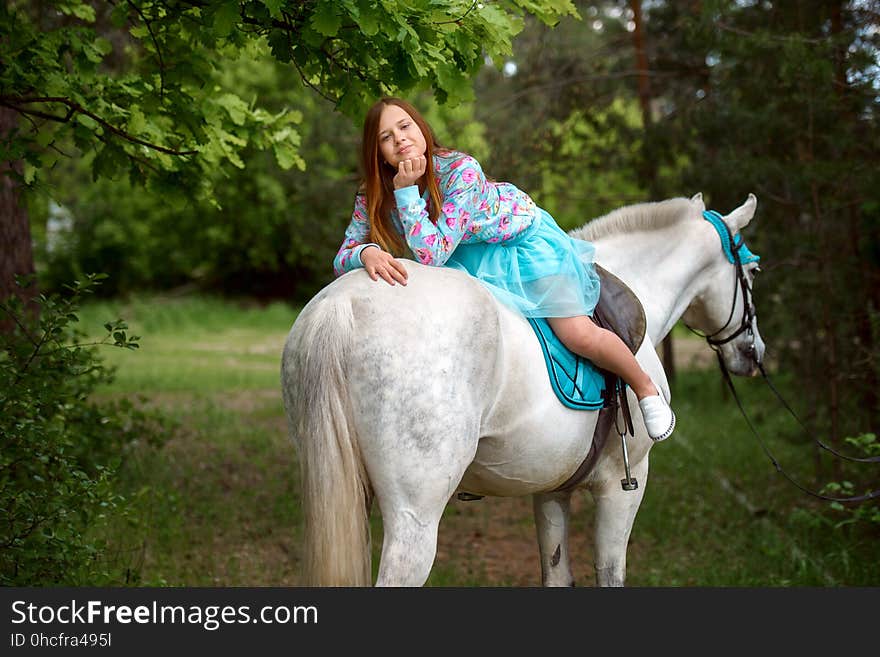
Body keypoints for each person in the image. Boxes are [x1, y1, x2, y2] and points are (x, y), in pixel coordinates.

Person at [333, 97, 675, 441]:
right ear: (378, 153)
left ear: (421, 128)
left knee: (576, 334)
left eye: (405, 127)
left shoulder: (460, 171)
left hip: (522, 248)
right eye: (386, 137)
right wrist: (365, 253)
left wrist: (407, 193)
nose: (399, 139)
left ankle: (645, 388)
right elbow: (342, 256)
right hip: (464, 260)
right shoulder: (373, 192)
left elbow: (431, 254)